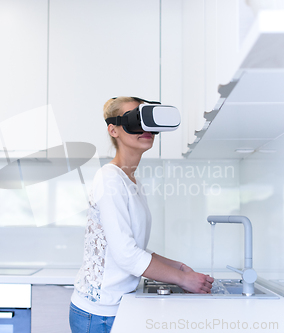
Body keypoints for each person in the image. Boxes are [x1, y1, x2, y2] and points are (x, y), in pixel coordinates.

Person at [69, 97, 214, 333]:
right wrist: (182, 279)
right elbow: (126, 255)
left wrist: (179, 268)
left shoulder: (132, 182)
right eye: (135, 120)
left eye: (147, 120)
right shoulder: (109, 178)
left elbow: (131, 246)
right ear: (113, 129)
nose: (145, 129)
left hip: (116, 307)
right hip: (98, 314)